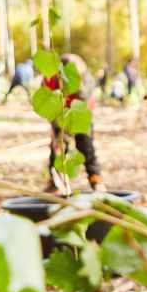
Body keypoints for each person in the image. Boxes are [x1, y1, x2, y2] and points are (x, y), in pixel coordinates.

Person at [44, 52, 105, 192]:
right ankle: (55, 181)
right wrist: (56, 127)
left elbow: (85, 102)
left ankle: (96, 179)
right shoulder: (51, 79)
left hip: (81, 113)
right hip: (59, 113)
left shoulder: (86, 80)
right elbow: (47, 103)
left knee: (86, 146)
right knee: (57, 149)